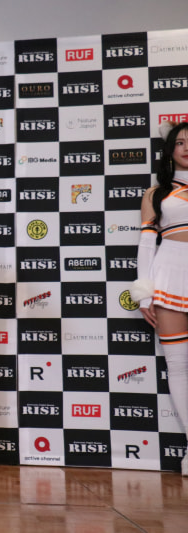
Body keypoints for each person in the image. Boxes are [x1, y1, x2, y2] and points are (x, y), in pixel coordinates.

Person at [131, 120, 188, 477]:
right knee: (178, 366)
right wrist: (143, 294)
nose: (186, 147)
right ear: (169, 150)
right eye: (179, 142)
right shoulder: (155, 193)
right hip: (169, 277)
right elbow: (146, 243)